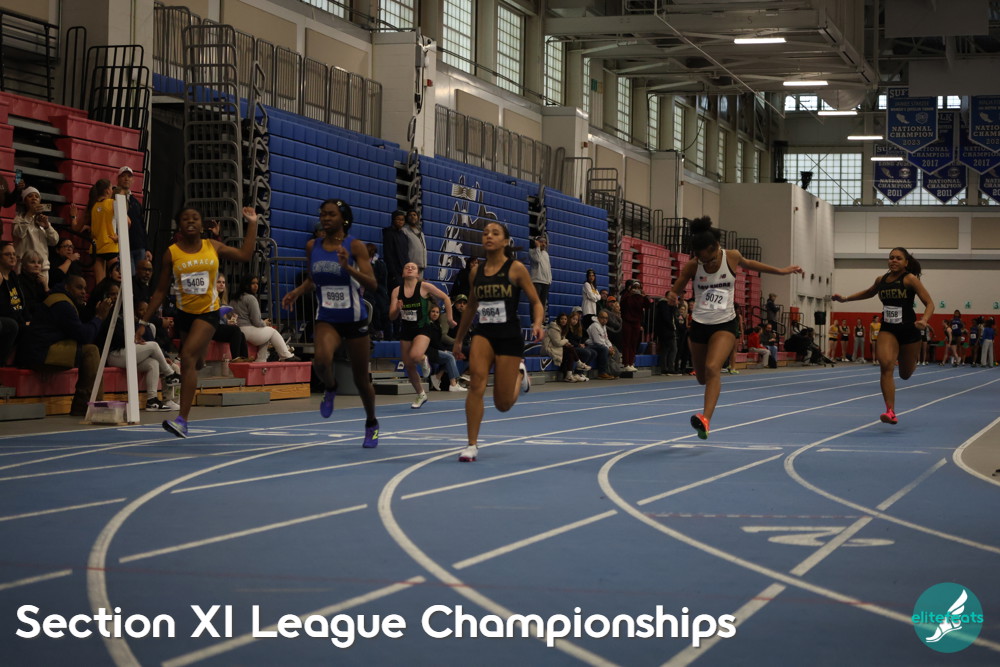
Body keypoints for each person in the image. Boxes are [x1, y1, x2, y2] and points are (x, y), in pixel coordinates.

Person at [666, 217, 803, 439]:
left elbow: (752, 264)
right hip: (700, 324)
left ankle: (705, 419)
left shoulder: (731, 256)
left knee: (713, 368)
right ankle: (706, 399)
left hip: (725, 323)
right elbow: (679, 284)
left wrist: (782, 270)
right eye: (701, 258)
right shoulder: (693, 265)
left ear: (715, 248)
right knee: (701, 377)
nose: (706, 262)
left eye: (708, 257)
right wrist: (673, 294)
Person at [137, 205, 259, 438]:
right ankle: (198, 360)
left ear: (202, 225)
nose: (191, 221)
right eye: (185, 218)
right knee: (198, 361)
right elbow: (160, 290)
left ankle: (182, 421)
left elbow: (245, 255)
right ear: (179, 226)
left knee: (187, 358)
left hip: (208, 313)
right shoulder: (171, 253)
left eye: (195, 218)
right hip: (184, 314)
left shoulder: (211, 246)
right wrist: (143, 322)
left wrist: (252, 223)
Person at [281, 199, 380, 447]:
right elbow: (313, 278)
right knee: (322, 361)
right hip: (327, 317)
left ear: (343, 219)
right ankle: (331, 387)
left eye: (331, 214)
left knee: (361, 380)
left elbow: (372, 283)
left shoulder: (355, 246)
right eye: (323, 214)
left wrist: (348, 268)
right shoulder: (312, 246)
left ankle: (371, 423)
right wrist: (297, 292)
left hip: (354, 319)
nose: (325, 218)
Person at [452, 221, 543, 462]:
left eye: (495, 233)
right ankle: (471, 445)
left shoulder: (516, 269)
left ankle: (519, 375)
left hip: (509, 336)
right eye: (485, 233)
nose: (488, 236)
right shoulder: (476, 272)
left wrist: (537, 323)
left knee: (503, 404)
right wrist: (459, 339)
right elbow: (471, 306)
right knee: (476, 384)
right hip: (484, 333)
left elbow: (536, 301)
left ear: (505, 241)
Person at [832, 247, 933, 425]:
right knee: (886, 366)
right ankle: (890, 411)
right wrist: (845, 299)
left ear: (906, 262)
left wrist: (924, 320)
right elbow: (868, 292)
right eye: (891, 257)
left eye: (898, 258)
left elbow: (930, 303)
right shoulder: (881, 280)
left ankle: (909, 360)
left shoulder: (910, 279)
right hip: (888, 329)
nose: (894, 260)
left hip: (909, 331)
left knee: (905, 374)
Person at [19, 274, 113, 415]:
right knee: (91, 351)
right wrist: (99, 317)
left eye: (85, 288)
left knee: (89, 349)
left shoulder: (62, 300)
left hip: (41, 349)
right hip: (41, 353)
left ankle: (85, 406)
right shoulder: (62, 304)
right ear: (67, 287)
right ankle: (89, 407)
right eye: (79, 288)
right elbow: (85, 336)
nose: (83, 292)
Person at [102, 288, 182, 410]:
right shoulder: (108, 314)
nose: (115, 297)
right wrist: (134, 339)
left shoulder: (127, 315)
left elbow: (143, 336)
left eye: (118, 294)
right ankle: (170, 374)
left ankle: (152, 400)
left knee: (153, 363)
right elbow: (118, 338)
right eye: (112, 294)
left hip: (128, 351)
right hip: (115, 354)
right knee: (153, 346)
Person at [390, 261, 454, 407]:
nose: (409, 269)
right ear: (403, 273)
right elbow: (392, 317)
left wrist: (449, 319)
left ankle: (424, 359)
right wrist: (397, 309)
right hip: (406, 330)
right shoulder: (396, 291)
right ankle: (421, 394)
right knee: (409, 365)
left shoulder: (424, 287)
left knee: (415, 355)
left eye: (413, 268)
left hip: (422, 329)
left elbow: (446, 298)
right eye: (407, 267)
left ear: (417, 274)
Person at [231, 275, 299, 362]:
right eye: (253, 283)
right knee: (272, 331)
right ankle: (286, 355)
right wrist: (264, 323)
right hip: (247, 330)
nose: (256, 286)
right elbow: (256, 322)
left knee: (266, 335)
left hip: (236, 330)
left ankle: (261, 360)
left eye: (257, 283)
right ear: (246, 285)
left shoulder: (233, 299)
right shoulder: (251, 298)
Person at [12, 186, 60, 285]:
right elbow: (19, 233)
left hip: (42, 268)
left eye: (37, 197)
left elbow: (54, 241)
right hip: (23, 268)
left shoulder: (42, 220)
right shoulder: (19, 219)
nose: (34, 198)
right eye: (30, 196)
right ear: (25, 201)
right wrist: (30, 214)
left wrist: (47, 227)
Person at [425, 304, 467, 392]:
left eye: (437, 312)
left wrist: (444, 350)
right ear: (429, 313)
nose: (435, 314)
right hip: (429, 351)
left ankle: (437, 377)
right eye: (433, 312)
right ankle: (453, 384)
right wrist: (443, 350)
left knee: (453, 355)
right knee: (450, 357)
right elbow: (433, 342)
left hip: (436, 349)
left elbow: (438, 341)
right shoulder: (427, 324)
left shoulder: (437, 325)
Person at [381, 211, 409, 338]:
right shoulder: (388, 234)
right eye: (398, 219)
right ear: (393, 220)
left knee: (402, 303)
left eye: (402, 220)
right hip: (394, 274)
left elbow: (405, 255)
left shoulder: (403, 236)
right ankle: (390, 332)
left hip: (402, 274)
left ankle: (399, 331)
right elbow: (388, 255)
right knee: (393, 302)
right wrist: (392, 272)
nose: (400, 222)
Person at [85, 179, 118, 285]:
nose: (112, 190)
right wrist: (119, 237)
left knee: (100, 283)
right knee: (116, 279)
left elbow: (76, 227)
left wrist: (73, 217)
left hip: (96, 247)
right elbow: (128, 222)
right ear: (107, 190)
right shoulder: (112, 203)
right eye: (111, 188)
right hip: (110, 245)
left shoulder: (92, 206)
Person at [0, 241, 28, 365]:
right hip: (5, 318)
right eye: (8, 254)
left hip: (16, 318)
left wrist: (26, 320)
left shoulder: (13, 276)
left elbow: (20, 303)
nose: (12, 257)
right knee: (13, 326)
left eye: (14, 254)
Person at [117, 166, 150, 265]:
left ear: (133, 180)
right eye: (123, 176)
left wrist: (147, 248)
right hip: (123, 247)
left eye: (129, 176)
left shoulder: (135, 202)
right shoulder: (113, 199)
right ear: (118, 178)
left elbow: (142, 226)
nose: (126, 179)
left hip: (139, 247)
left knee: (139, 274)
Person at [543, 312, 588, 382]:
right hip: (550, 348)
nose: (563, 321)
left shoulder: (563, 328)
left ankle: (569, 375)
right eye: (562, 319)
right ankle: (578, 364)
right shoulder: (554, 328)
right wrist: (566, 341)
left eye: (565, 319)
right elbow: (557, 343)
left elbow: (562, 340)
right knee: (571, 350)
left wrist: (567, 343)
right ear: (558, 319)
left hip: (557, 347)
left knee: (570, 352)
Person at [620, 281, 650, 372]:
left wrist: (645, 296)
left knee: (634, 343)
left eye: (638, 288)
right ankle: (626, 363)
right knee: (627, 343)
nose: (636, 290)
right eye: (634, 287)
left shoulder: (641, 298)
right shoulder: (627, 296)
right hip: (627, 322)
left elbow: (648, 306)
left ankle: (631, 362)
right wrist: (629, 293)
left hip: (636, 322)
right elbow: (622, 304)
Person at [365, 243, 389, 340]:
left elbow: (380, 283)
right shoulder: (360, 263)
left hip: (377, 293)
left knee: (378, 309)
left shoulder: (379, 265)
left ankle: (378, 332)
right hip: (367, 294)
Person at [586, 311, 617, 380]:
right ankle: (602, 373)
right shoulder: (594, 326)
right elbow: (597, 341)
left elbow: (606, 339)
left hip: (599, 345)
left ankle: (612, 371)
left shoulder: (603, 326)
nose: (604, 320)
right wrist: (608, 349)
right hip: (590, 345)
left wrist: (610, 347)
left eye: (606, 318)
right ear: (598, 318)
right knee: (604, 349)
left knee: (614, 349)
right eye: (603, 318)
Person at [654, 293, 678, 375]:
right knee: (672, 349)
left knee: (666, 349)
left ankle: (665, 368)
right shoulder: (663, 305)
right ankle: (669, 368)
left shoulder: (667, 305)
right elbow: (667, 317)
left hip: (666, 330)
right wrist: (672, 327)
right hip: (666, 331)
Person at [529, 235, 551, 318]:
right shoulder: (532, 252)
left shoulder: (546, 254)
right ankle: (533, 321)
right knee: (535, 302)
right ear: (536, 242)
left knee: (542, 303)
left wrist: (549, 280)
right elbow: (537, 260)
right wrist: (537, 247)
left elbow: (548, 267)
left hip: (545, 282)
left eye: (545, 242)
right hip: (536, 281)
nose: (544, 244)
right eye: (541, 242)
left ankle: (540, 321)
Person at [402, 209, 427, 276]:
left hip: (420, 266)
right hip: (411, 267)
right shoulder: (404, 231)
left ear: (418, 217)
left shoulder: (421, 232)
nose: (412, 216)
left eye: (414, 215)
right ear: (407, 218)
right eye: (410, 215)